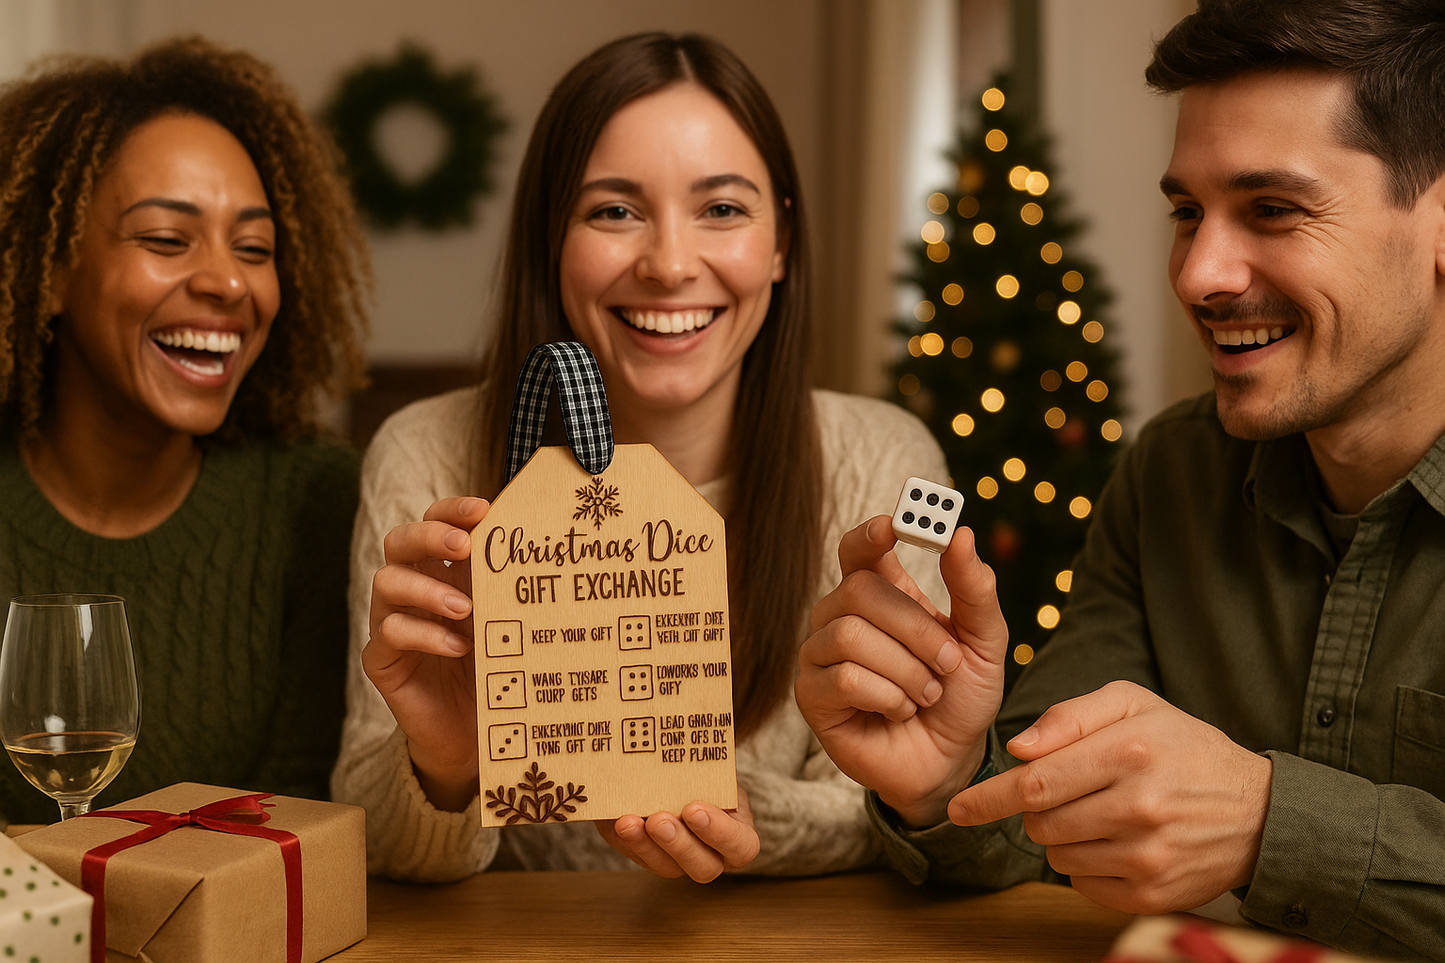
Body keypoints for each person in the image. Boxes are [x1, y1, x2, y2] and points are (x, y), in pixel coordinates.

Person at [795, 1, 1445, 959]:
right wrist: (942, 779)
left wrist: (1271, 823)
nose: (1197, 274)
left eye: (1272, 209)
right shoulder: (1172, 472)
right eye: (1187, 212)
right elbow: (1031, 813)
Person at [332, 32, 949, 883]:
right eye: (613, 210)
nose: (666, 264)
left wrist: (739, 814)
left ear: (780, 244)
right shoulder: (425, 455)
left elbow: (910, 795)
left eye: (722, 209)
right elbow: (364, 836)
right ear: (551, 238)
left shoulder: (879, 459)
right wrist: (443, 762)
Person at [0, 37, 371, 823]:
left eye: (255, 249)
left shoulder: (317, 502)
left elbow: (291, 825)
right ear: (50, 269)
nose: (228, 281)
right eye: (167, 239)